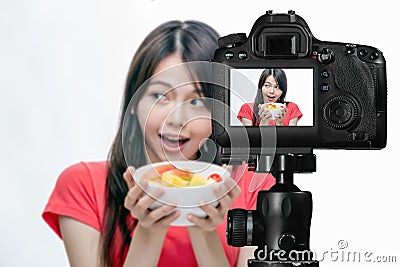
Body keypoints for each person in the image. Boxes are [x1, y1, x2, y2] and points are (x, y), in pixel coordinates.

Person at [42, 20, 275, 267]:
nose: (176, 119)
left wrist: (202, 227)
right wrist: (149, 230)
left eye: (197, 101)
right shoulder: (84, 186)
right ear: (134, 103)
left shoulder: (254, 187)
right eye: (160, 96)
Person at [237, 69, 302, 126]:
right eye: (267, 85)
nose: (271, 91)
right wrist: (264, 122)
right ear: (261, 87)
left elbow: (291, 139)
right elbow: (250, 139)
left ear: (283, 90)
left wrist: (279, 122)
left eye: (277, 87)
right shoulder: (247, 109)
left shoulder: (292, 108)